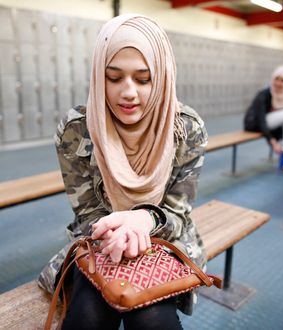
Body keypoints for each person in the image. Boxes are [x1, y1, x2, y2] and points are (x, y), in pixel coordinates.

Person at [38, 13, 208, 330]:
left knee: (152, 320)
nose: (127, 92)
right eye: (113, 78)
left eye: (144, 79)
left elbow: (178, 213)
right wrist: (120, 235)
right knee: (87, 317)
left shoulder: (186, 128)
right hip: (99, 240)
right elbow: (87, 211)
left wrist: (143, 219)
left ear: (163, 77)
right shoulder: (77, 128)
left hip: (163, 240)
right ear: (98, 76)